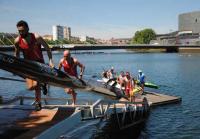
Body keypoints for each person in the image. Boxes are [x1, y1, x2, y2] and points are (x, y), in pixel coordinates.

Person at [14, 20, 54, 111]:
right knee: (30, 87)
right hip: (27, 65)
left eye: (22, 30)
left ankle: (38, 103)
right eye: (19, 31)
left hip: (39, 64)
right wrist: (16, 66)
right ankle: (43, 84)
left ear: (28, 29)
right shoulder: (17, 41)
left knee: (36, 84)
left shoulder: (36, 37)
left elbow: (48, 49)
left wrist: (51, 60)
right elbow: (16, 54)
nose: (21, 33)